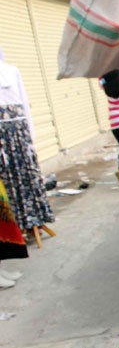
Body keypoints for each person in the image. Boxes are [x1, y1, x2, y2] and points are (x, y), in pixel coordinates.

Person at [0, 47, 55, 236]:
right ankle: (16, 225)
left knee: (26, 176)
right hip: (7, 138)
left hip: (19, 133)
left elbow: (24, 102)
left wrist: (30, 135)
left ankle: (34, 220)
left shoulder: (12, 71)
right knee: (7, 179)